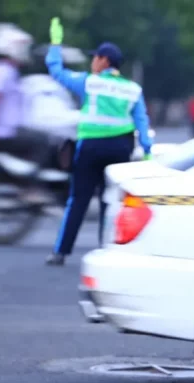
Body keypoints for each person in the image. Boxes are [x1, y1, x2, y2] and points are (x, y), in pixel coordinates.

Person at [44, 17, 153, 266]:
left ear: (104, 60)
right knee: (110, 200)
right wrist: (147, 152)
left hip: (91, 148)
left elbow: (56, 70)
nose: (93, 61)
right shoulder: (132, 89)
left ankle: (61, 252)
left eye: (96, 57)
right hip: (120, 149)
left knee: (78, 200)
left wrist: (55, 43)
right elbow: (142, 121)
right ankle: (107, 252)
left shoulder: (88, 82)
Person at [0, 23, 52, 204]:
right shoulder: (2, 71)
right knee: (45, 142)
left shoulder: (5, 70)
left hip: (8, 129)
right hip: (6, 132)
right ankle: (31, 188)